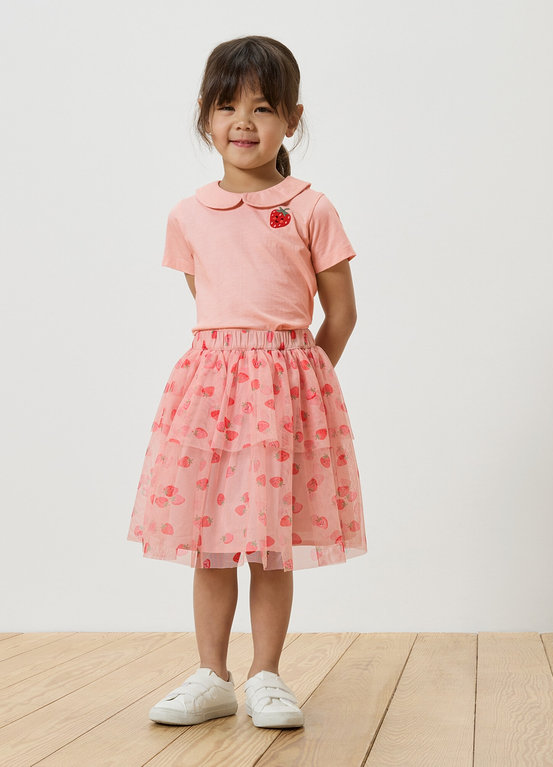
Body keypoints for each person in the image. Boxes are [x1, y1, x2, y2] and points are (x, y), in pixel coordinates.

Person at [127, 34, 367, 730]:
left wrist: (301, 384)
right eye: (227, 105)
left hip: (283, 394)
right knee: (208, 538)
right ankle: (211, 674)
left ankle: (266, 672)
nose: (243, 121)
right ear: (205, 115)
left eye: (262, 107)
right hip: (209, 395)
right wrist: (236, 373)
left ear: (291, 118)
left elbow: (342, 312)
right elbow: (213, 306)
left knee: (268, 541)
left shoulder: (312, 207)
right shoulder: (189, 214)